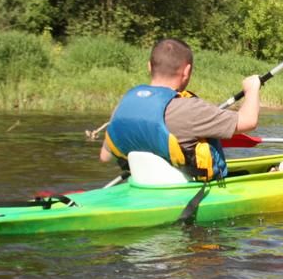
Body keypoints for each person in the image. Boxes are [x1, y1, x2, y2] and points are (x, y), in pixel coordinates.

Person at [100, 38, 260, 182]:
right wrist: (252, 89)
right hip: (184, 191)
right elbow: (249, 121)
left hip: (143, 184)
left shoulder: (125, 103)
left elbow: (105, 156)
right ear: (187, 71)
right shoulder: (190, 109)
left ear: (149, 66)